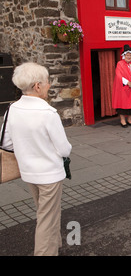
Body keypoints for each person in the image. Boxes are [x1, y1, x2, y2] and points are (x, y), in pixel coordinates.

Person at [1, 62, 72, 255]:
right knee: (46, 219)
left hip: (28, 172)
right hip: (49, 174)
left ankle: (55, 243)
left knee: (46, 212)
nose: (49, 85)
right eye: (48, 81)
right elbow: (64, 149)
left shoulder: (12, 110)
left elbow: (6, 143)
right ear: (38, 86)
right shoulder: (48, 113)